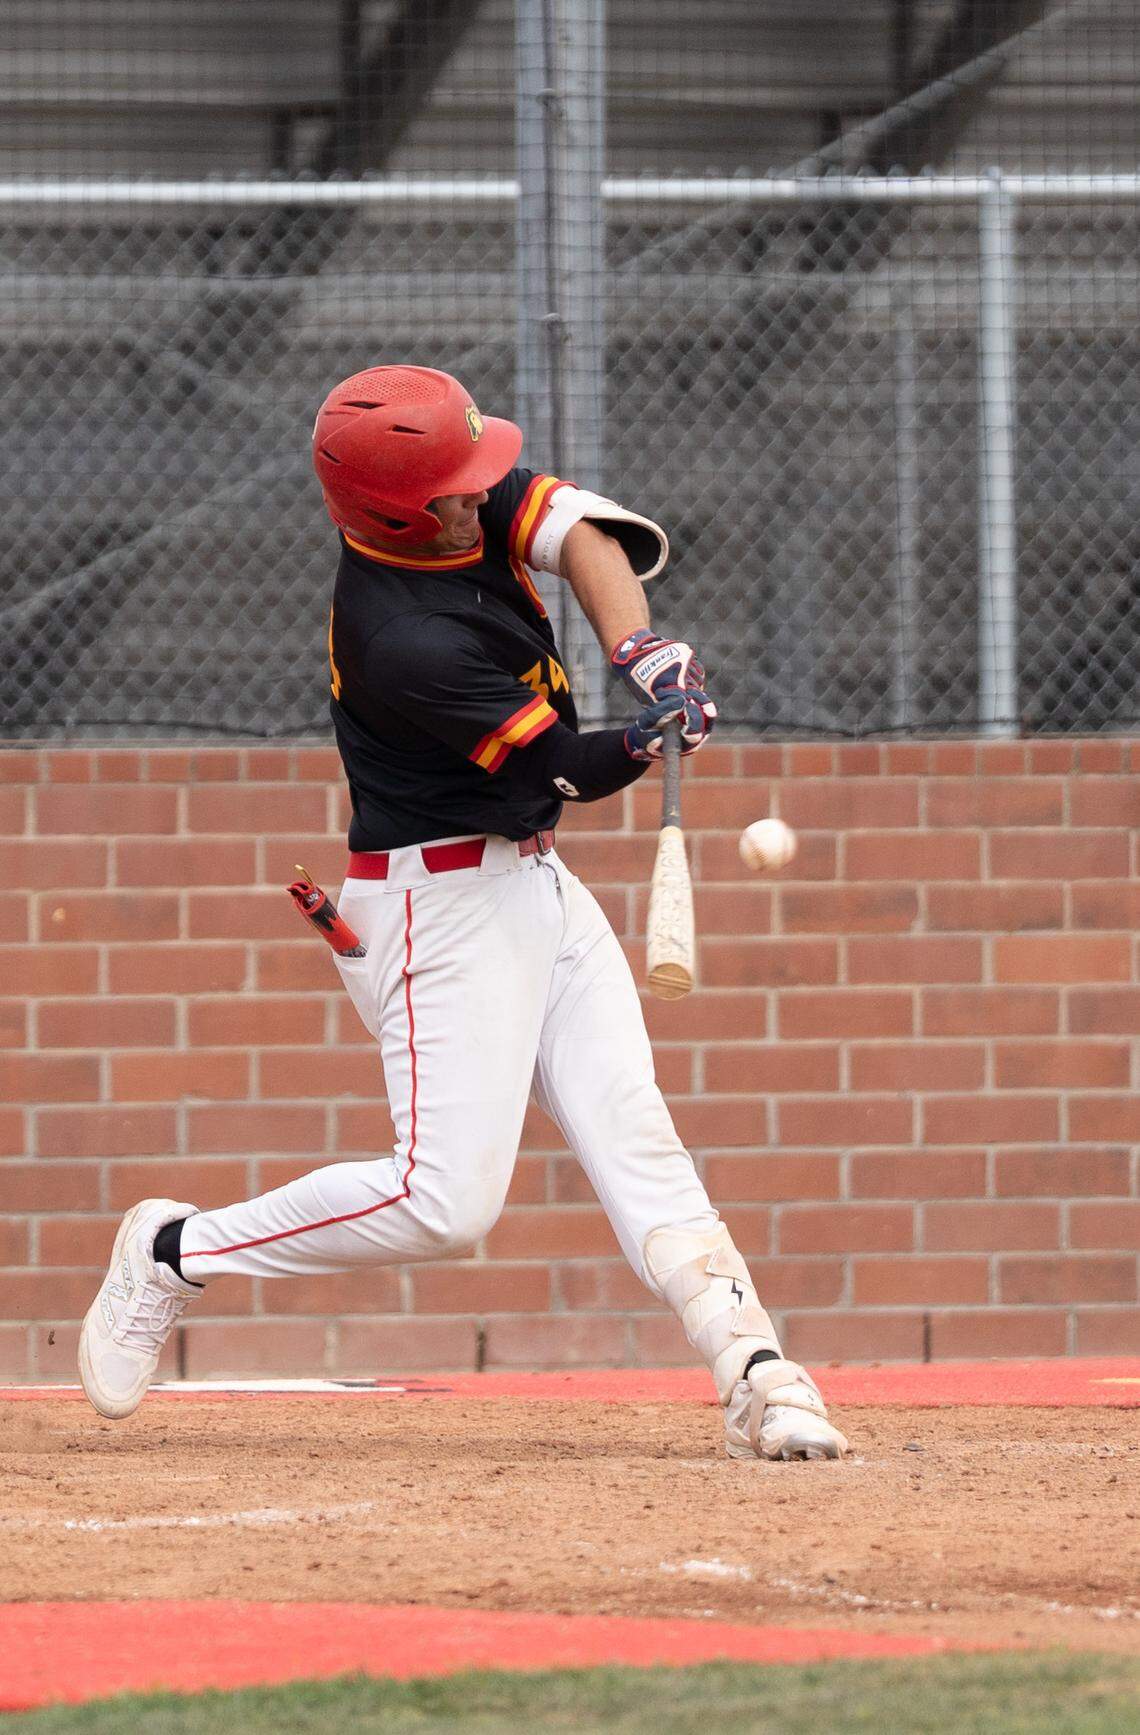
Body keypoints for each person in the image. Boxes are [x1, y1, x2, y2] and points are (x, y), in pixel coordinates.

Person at [79, 365, 847, 1462]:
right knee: (443, 1204)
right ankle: (173, 1250)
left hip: (536, 883)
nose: (483, 498)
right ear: (399, 509)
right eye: (459, 490)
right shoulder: (403, 642)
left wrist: (643, 653)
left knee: (638, 1137)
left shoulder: (451, 494)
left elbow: (582, 530)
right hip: (433, 910)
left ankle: (756, 1366)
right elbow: (570, 767)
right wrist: (648, 734)